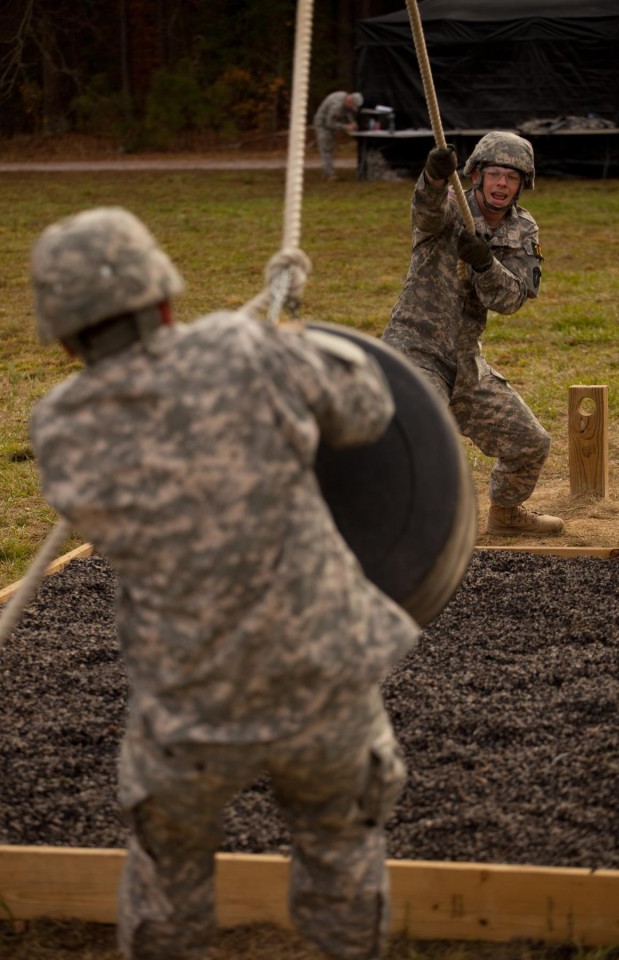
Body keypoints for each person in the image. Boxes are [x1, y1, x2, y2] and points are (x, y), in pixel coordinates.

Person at [28, 206, 420, 960]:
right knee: (342, 864)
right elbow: (370, 409)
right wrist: (285, 341)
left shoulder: (61, 427)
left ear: (67, 335)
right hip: (321, 683)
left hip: (188, 709)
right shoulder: (241, 348)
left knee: (167, 889)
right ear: (166, 298)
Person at [382, 131, 564, 537]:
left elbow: (512, 299)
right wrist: (432, 178)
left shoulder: (522, 229)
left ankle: (507, 513)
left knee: (530, 443)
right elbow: (425, 213)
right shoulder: (450, 206)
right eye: (495, 174)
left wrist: (484, 264)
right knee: (419, 431)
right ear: (477, 175)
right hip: (414, 348)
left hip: (465, 362)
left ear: (522, 184)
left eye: (512, 178)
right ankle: (397, 524)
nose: (502, 184)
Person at [313, 90, 364, 179]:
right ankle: (329, 174)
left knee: (331, 147)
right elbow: (329, 123)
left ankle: (328, 171)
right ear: (350, 101)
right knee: (326, 148)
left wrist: (353, 122)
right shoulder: (336, 106)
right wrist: (346, 127)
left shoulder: (345, 99)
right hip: (322, 124)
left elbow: (347, 112)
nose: (352, 108)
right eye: (353, 106)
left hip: (330, 123)